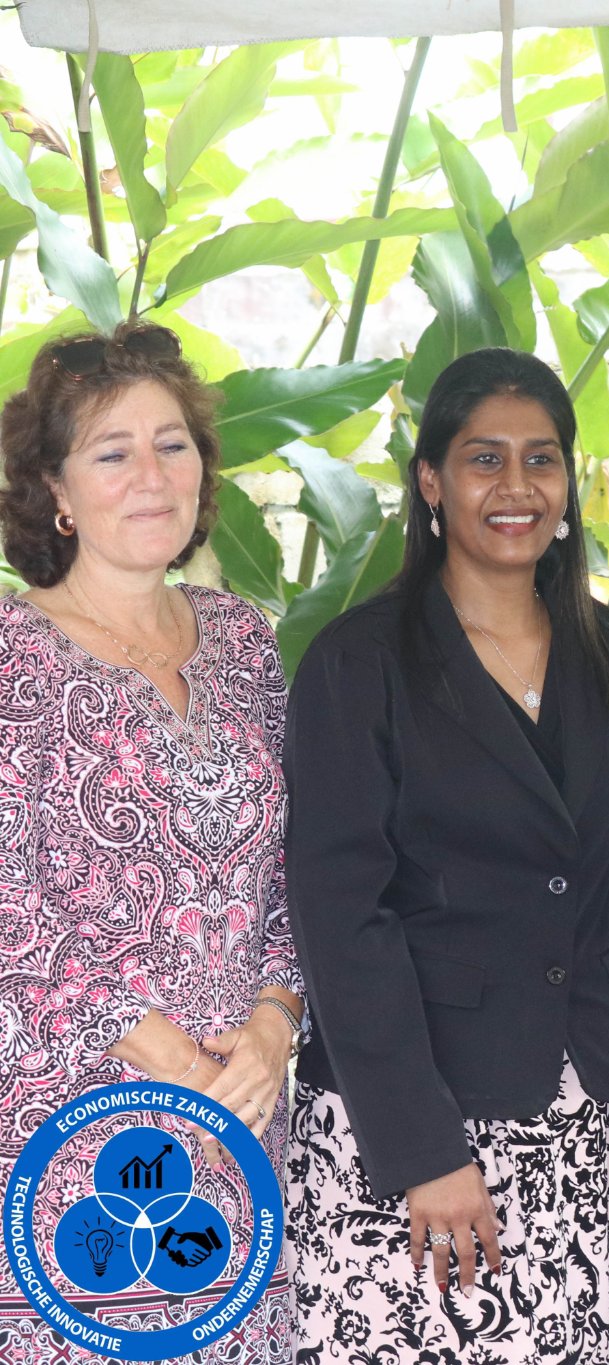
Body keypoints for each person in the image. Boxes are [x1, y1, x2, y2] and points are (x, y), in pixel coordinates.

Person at [284, 349, 609, 1362]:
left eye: (541, 460)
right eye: (482, 459)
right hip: (421, 1123)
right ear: (430, 481)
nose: (516, 488)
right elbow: (340, 914)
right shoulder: (357, 663)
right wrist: (422, 1151)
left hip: (597, 1118)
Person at [0, 322, 300, 1360]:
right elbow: (10, 908)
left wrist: (271, 1024)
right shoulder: (10, 656)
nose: (152, 474)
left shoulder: (246, 641)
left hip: (240, 1119)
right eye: (112, 450)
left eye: (173, 443)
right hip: (64, 1129)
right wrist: (156, 1046)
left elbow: (297, 868)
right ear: (56, 491)